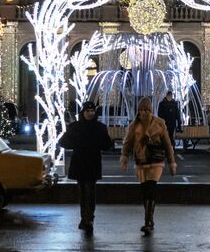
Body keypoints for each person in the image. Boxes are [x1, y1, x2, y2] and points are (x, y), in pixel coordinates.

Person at [120, 97, 176, 235]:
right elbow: (127, 143)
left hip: (155, 161)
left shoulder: (159, 123)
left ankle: (148, 221)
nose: (143, 113)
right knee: (145, 191)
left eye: (145, 110)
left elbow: (167, 144)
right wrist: (124, 157)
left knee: (151, 188)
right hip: (141, 161)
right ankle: (148, 217)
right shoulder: (134, 125)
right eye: (140, 110)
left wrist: (171, 161)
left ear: (150, 110)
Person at [61, 101, 113, 234]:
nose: (90, 113)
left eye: (92, 111)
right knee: (83, 191)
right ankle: (85, 218)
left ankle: (88, 218)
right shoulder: (75, 127)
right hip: (80, 162)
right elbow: (64, 142)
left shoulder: (99, 127)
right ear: (83, 112)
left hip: (92, 162)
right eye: (88, 111)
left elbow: (107, 144)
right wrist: (77, 143)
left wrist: (98, 144)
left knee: (89, 190)